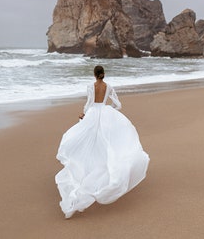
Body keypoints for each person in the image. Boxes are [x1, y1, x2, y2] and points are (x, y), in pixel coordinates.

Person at [55, 65, 150, 218]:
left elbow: (89, 103)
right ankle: (105, 171)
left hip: (93, 115)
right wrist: (109, 109)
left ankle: (87, 170)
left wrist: (84, 114)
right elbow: (118, 105)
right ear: (103, 74)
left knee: (90, 143)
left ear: (94, 74)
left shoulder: (90, 86)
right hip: (105, 115)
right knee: (107, 144)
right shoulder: (109, 87)